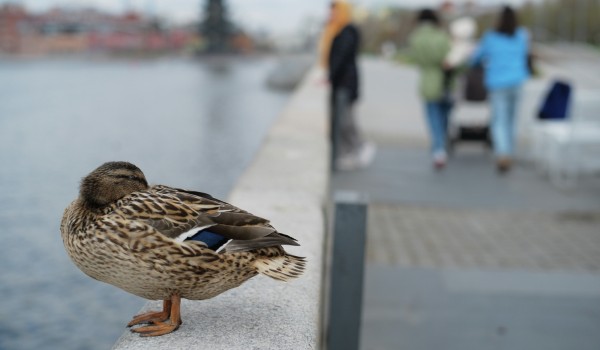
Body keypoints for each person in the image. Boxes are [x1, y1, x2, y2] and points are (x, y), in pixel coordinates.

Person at [471, 6, 530, 173]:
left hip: (498, 83)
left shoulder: (491, 37)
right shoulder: (521, 35)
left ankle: (502, 153)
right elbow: (526, 55)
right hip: (517, 81)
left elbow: (476, 58)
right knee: (511, 120)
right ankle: (509, 152)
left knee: (500, 120)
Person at [320, 0, 375, 171]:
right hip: (342, 82)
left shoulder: (347, 31)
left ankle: (359, 148)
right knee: (342, 119)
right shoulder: (339, 30)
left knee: (346, 120)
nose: (331, 15)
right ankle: (347, 152)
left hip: (346, 83)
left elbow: (341, 57)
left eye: (334, 11)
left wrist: (330, 75)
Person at [408, 8, 451, 169]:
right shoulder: (442, 36)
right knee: (444, 117)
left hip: (428, 81)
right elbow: (450, 59)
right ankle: (442, 146)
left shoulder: (416, 38)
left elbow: (415, 58)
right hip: (446, 82)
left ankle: (438, 149)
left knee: (433, 118)